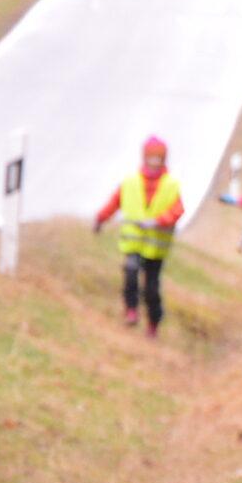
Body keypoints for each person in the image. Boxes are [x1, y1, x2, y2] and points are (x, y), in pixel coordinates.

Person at [93, 136, 184, 335]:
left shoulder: (171, 185)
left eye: (158, 158)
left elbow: (178, 210)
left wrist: (159, 220)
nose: (154, 162)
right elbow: (114, 203)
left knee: (151, 287)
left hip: (156, 248)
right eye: (151, 157)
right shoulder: (130, 182)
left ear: (164, 159)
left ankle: (153, 323)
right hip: (133, 244)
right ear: (144, 157)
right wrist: (100, 218)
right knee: (131, 271)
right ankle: (131, 310)